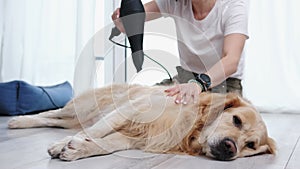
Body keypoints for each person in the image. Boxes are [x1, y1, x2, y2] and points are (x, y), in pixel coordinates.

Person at [112, 0, 249, 104]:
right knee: (140, 103)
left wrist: (199, 84)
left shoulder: (233, 6)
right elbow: (137, 16)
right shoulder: (176, 3)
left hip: (224, 84)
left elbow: (231, 60)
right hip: (186, 78)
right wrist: (125, 20)